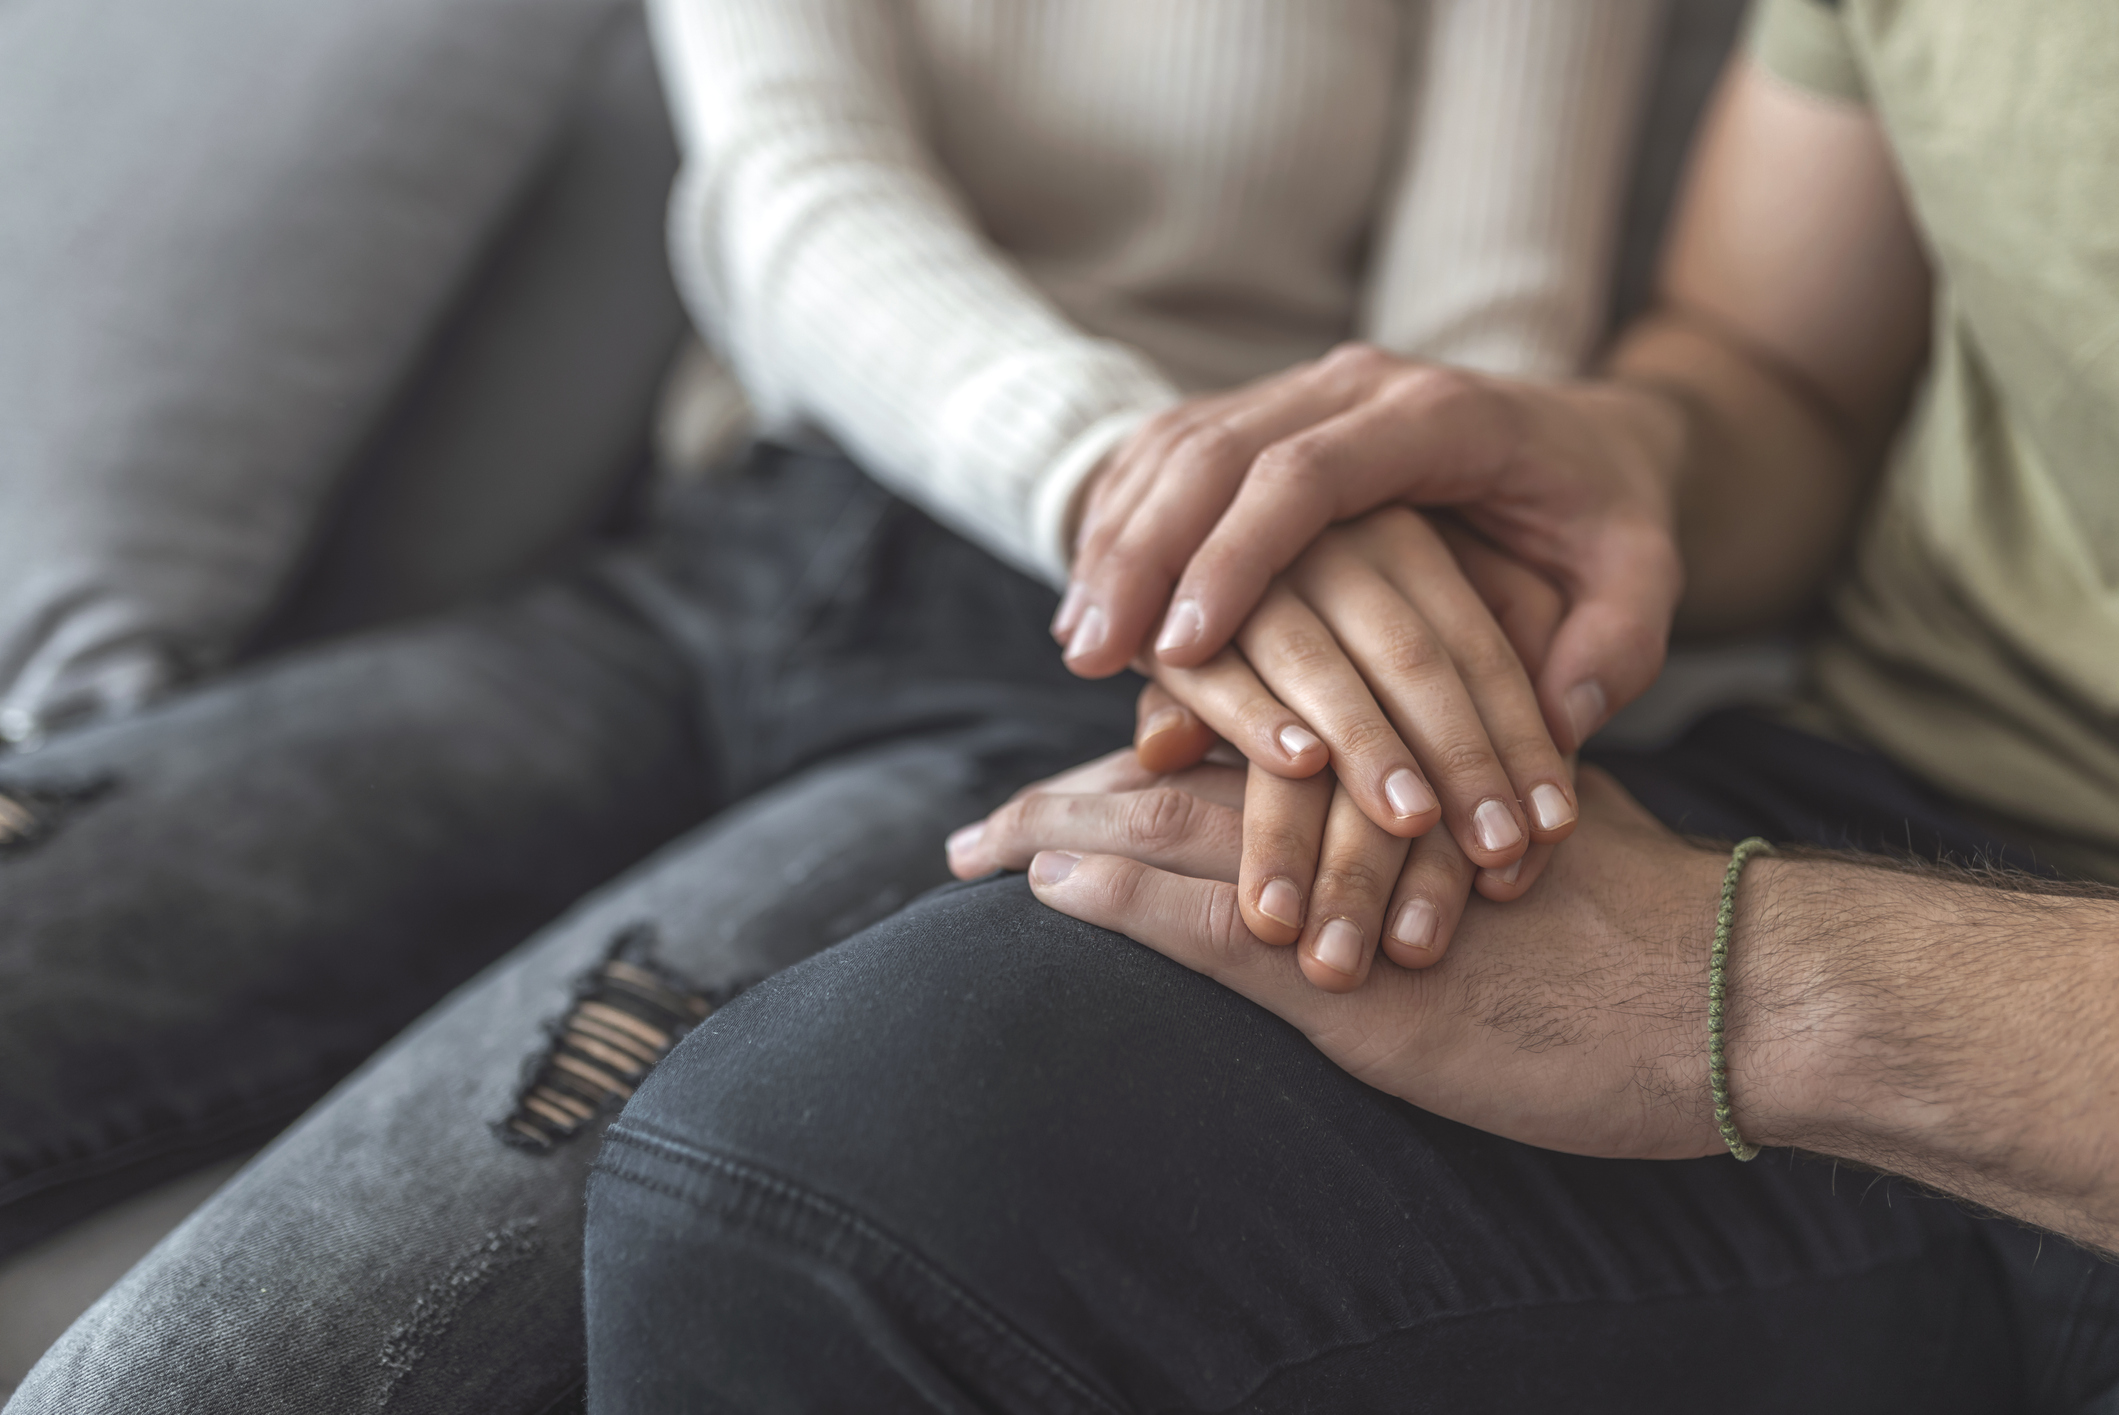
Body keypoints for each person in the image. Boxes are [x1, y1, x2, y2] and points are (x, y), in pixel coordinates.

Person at [0, 3, 1664, 1412]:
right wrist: (1132, 488)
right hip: (721, 577)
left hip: (1120, 670)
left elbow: (1480, 356)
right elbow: (793, 198)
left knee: (176, 1385)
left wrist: (1323, 591)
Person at [580, 1, 2119, 1408]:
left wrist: (1751, 980)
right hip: (1856, 790)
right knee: (812, 1179)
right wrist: (1613, 460)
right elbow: (1781, 373)